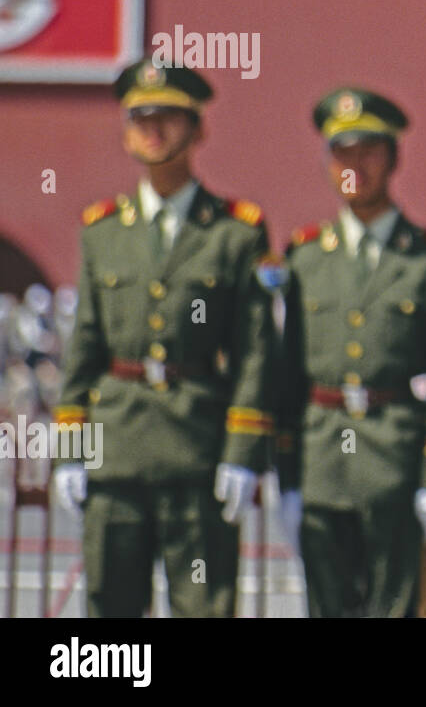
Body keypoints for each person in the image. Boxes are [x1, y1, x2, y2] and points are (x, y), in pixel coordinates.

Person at [51, 60, 274, 617]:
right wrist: (70, 453)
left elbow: (254, 351)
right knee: (111, 617)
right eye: (140, 118)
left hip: (196, 453)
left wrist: (243, 453)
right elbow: (84, 349)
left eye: (168, 118)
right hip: (116, 452)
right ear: (126, 132)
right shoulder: (102, 231)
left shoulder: (233, 232)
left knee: (205, 606)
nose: (153, 130)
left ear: (198, 129)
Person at [276, 87, 426, 617]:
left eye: (368, 150)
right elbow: (286, 374)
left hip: (398, 463)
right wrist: (286, 477)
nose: (354, 165)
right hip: (322, 465)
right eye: (342, 152)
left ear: (393, 158)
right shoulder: (304, 256)